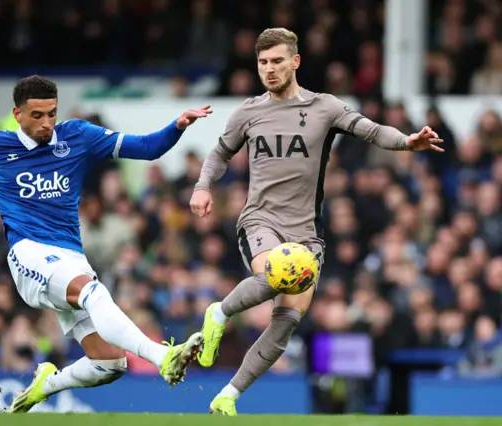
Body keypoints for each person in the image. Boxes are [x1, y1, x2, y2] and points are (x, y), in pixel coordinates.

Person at [0, 75, 212, 413]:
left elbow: (147, 148)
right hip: (28, 254)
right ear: (18, 114)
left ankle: (47, 384)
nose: (47, 123)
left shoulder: (77, 136)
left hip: (71, 257)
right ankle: (161, 357)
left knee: (111, 364)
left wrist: (177, 126)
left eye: (52, 114)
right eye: (37, 115)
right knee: (92, 291)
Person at [189, 28, 443, 416]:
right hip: (260, 220)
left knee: (287, 319)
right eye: (262, 63)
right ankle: (219, 314)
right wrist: (204, 185)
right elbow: (219, 154)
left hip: (306, 231)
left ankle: (228, 394)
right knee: (277, 274)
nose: (269, 70)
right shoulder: (248, 111)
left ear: (295, 61)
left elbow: (372, 131)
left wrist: (407, 142)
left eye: (276, 61)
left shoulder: (325, 108)